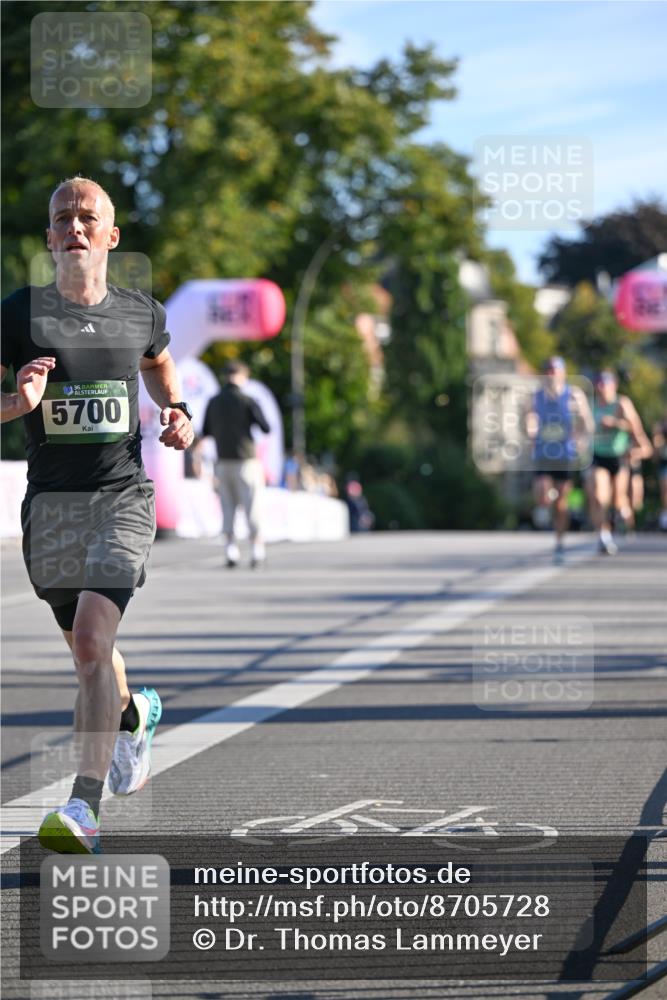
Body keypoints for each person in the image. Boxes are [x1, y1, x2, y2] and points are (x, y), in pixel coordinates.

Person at [1, 176, 194, 853]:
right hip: (50, 509)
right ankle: (134, 716)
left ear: (111, 237)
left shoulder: (140, 312)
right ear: (50, 237)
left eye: (88, 217)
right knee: (93, 655)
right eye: (62, 218)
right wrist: (17, 406)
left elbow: (160, 366)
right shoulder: (17, 314)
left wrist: (179, 415)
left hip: (121, 499)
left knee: (90, 640)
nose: (75, 227)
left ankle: (83, 808)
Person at [199, 360, 270, 568]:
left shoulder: (213, 401)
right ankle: (257, 549)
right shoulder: (248, 400)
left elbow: (206, 431)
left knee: (227, 507)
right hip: (246, 460)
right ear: (242, 376)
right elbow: (265, 427)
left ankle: (231, 550)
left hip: (222, 461)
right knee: (252, 506)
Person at [525, 356, 593, 562]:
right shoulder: (535, 396)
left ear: (562, 373)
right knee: (542, 496)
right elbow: (527, 419)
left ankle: (559, 542)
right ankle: (549, 497)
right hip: (543, 453)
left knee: (562, 505)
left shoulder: (573, 395)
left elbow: (586, 422)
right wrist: (529, 430)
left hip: (565, 454)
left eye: (554, 370)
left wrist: (579, 436)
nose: (550, 373)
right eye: (547, 370)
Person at [586, 369, 648, 554]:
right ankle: (603, 537)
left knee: (617, 501)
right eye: (598, 383)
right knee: (598, 496)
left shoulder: (622, 403)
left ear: (614, 385)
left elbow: (636, 430)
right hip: (599, 456)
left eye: (605, 383)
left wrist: (615, 423)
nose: (601, 387)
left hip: (618, 457)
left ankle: (617, 520)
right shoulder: (593, 405)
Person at [652, 409, 667, 531]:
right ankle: (665, 515)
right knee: (665, 489)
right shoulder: (661, 426)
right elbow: (657, 445)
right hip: (665, 461)